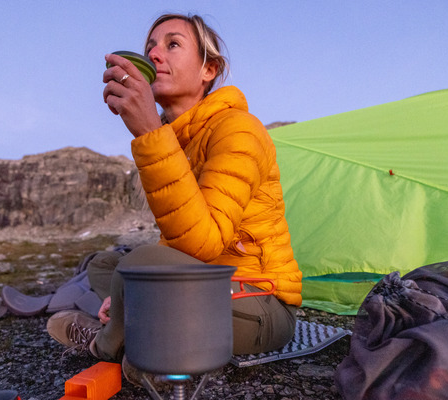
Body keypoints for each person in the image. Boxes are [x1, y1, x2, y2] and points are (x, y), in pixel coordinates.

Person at [47, 13, 302, 369]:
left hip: (258, 302)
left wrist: (150, 135)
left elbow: (203, 242)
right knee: (107, 264)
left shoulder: (239, 130)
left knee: (137, 266)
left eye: (173, 44)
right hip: (200, 285)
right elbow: (176, 240)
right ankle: (132, 321)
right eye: (150, 46)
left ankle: (105, 344)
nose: (154, 54)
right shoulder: (178, 139)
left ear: (208, 69)